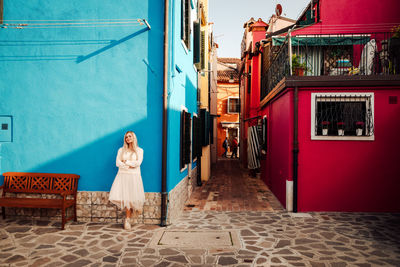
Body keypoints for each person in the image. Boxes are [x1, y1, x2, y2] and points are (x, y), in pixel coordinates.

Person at [109, 131, 145, 230]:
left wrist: (126, 162)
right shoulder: (121, 150)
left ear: (134, 137)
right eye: (126, 137)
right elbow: (117, 163)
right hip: (123, 175)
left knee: (132, 197)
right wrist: (129, 165)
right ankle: (127, 219)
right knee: (126, 198)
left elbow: (138, 163)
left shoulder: (139, 150)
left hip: (134, 176)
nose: (128, 138)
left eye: (130, 136)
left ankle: (133, 212)